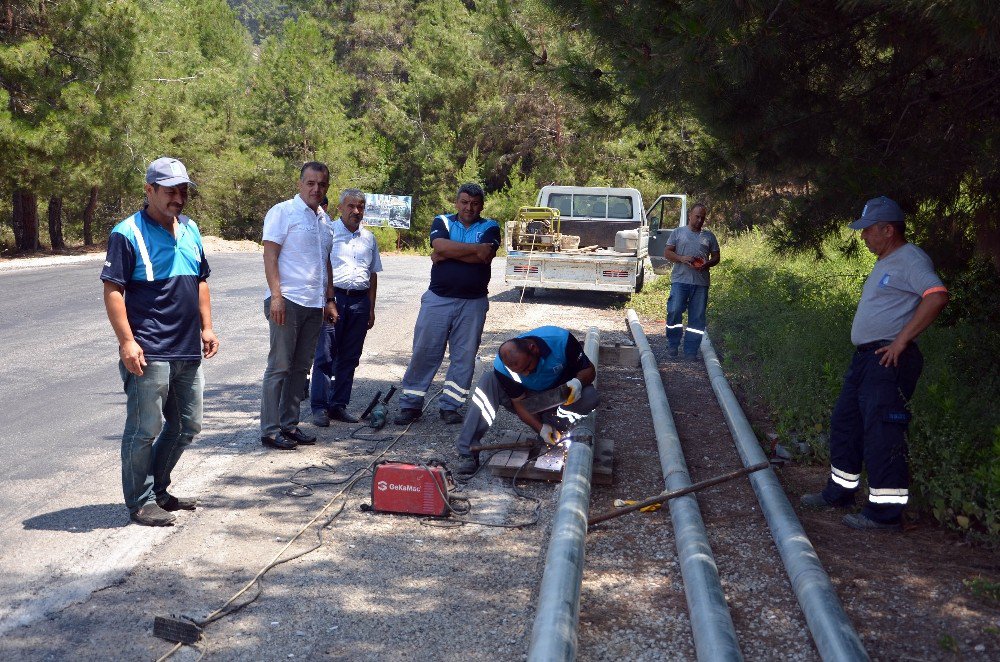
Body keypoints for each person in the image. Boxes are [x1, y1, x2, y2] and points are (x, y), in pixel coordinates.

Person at [801, 196, 948, 531]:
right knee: (846, 422)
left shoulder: (910, 259)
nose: (863, 236)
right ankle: (840, 492)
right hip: (866, 360)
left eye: (868, 230)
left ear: (888, 229)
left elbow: (937, 295)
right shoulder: (886, 261)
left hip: (888, 358)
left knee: (882, 431)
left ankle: (884, 514)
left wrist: (901, 340)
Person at [101, 157, 220, 527]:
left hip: (187, 346)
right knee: (144, 429)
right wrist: (127, 342)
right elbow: (113, 290)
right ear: (149, 190)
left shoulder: (190, 228)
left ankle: (159, 490)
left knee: (188, 424)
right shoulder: (127, 233)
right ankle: (140, 501)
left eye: (183, 191)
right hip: (149, 349)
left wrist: (207, 327)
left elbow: (200, 280)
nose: (178, 198)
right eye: (170, 191)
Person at [394, 183, 501, 425]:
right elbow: (439, 246)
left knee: (464, 357)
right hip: (438, 300)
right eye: (464, 202)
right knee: (425, 352)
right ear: (456, 203)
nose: (469, 207)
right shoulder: (442, 221)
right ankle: (410, 404)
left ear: (481, 206)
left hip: (473, 303)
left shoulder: (490, 226)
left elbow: (485, 255)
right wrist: (470, 250)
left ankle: (451, 407)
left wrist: (448, 253)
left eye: (474, 203)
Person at [260, 162, 337, 450]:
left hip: (313, 304)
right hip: (287, 301)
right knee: (279, 366)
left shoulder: (324, 221)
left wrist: (329, 299)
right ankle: (269, 430)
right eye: (310, 183)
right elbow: (270, 256)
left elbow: (324, 262)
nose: (316, 189)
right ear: (300, 183)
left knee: (301, 368)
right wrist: (276, 296)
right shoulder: (283, 212)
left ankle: (289, 425)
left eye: (322, 184)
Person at [453, 326, 599, 474]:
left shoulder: (561, 341)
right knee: (488, 380)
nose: (526, 373)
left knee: (589, 397)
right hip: (530, 400)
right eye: (520, 372)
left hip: (561, 395)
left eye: (527, 366)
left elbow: (589, 370)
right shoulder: (503, 367)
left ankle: (555, 425)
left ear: (533, 349)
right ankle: (468, 451)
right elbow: (519, 404)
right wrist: (541, 429)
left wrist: (578, 383)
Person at [311, 189, 382, 426]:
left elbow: (372, 275)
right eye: (351, 206)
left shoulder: (369, 238)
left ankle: (338, 405)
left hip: (360, 302)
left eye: (360, 206)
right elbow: (320, 269)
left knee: (350, 357)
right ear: (340, 208)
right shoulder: (328, 231)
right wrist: (326, 301)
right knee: (326, 356)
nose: (356, 211)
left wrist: (371, 307)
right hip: (334, 299)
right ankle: (319, 407)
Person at [662, 203, 721, 358]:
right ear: (690, 215)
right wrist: (681, 258)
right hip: (680, 280)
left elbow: (716, 257)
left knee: (697, 317)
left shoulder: (709, 236)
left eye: (703, 217)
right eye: (697, 216)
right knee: (674, 310)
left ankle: (691, 350)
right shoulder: (678, 233)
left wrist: (707, 263)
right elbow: (667, 252)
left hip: (700, 283)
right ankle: (673, 345)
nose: (700, 220)